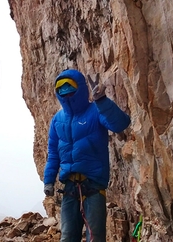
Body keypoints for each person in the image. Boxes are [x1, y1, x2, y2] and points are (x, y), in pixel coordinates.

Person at [43, 69, 131, 242]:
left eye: (70, 87)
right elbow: (53, 153)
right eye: (61, 88)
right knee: (67, 237)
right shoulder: (57, 120)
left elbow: (120, 124)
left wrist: (102, 101)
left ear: (81, 88)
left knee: (95, 237)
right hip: (69, 188)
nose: (65, 92)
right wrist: (48, 180)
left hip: (94, 186)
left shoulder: (96, 111)